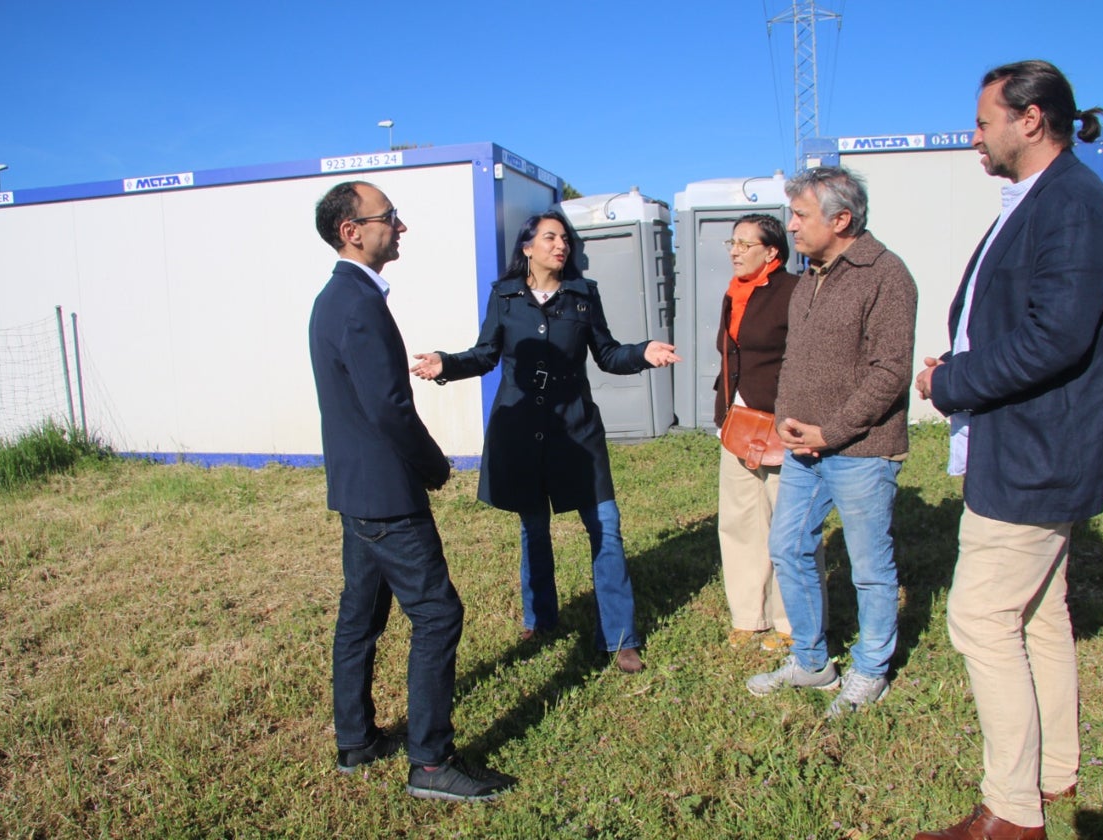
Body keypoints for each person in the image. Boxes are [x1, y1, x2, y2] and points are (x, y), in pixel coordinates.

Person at [912, 61, 1103, 840]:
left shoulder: (1069, 205)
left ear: (1029, 119)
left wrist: (954, 381)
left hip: (1038, 450)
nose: (975, 137)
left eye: (982, 122)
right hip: (1037, 441)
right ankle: (1055, 775)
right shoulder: (1052, 199)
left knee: (979, 619)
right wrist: (957, 366)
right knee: (1037, 616)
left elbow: (1055, 337)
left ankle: (1011, 814)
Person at [308, 181, 515, 802]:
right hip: (387, 497)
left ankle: (356, 740)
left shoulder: (338, 298)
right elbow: (389, 407)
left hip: (357, 491)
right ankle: (429, 762)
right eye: (389, 218)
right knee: (437, 614)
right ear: (353, 230)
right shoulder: (356, 304)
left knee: (361, 617)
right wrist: (433, 464)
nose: (400, 227)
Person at [410, 211, 680, 673]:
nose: (562, 246)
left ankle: (620, 636)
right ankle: (541, 618)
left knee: (606, 528)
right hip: (521, 434)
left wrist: (642, 352)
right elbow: (486, 354)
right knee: (533, 528)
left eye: (565, 239)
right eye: (551, 238)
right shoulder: (505, 295)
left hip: (577, 431)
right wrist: (446, 363)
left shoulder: (582, 294)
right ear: (528, 247)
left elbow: (609, 354)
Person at [744, 167, 917, 718]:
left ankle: (871, 670)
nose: (789, 225)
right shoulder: (810, 274)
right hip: (802, 447)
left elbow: (890, 372)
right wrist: (789, 420)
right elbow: (796, 359)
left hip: (860, 450)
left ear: (841, 219)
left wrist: (833, 431)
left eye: (800, 215)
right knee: (788, 547)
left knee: (869, 567)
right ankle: (813, 661)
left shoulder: (886, 275)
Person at [713, 213, 821, 652]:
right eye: (732, 243)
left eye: (745, 244)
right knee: (739, 522)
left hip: (782, 427)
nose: (735, 251)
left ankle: (790, 622)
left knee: (787, 528)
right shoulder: (732, 293)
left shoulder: (794, 292)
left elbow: (809, 361)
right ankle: (748, 616)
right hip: (736, 423)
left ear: (772, 251)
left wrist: (796, 418)